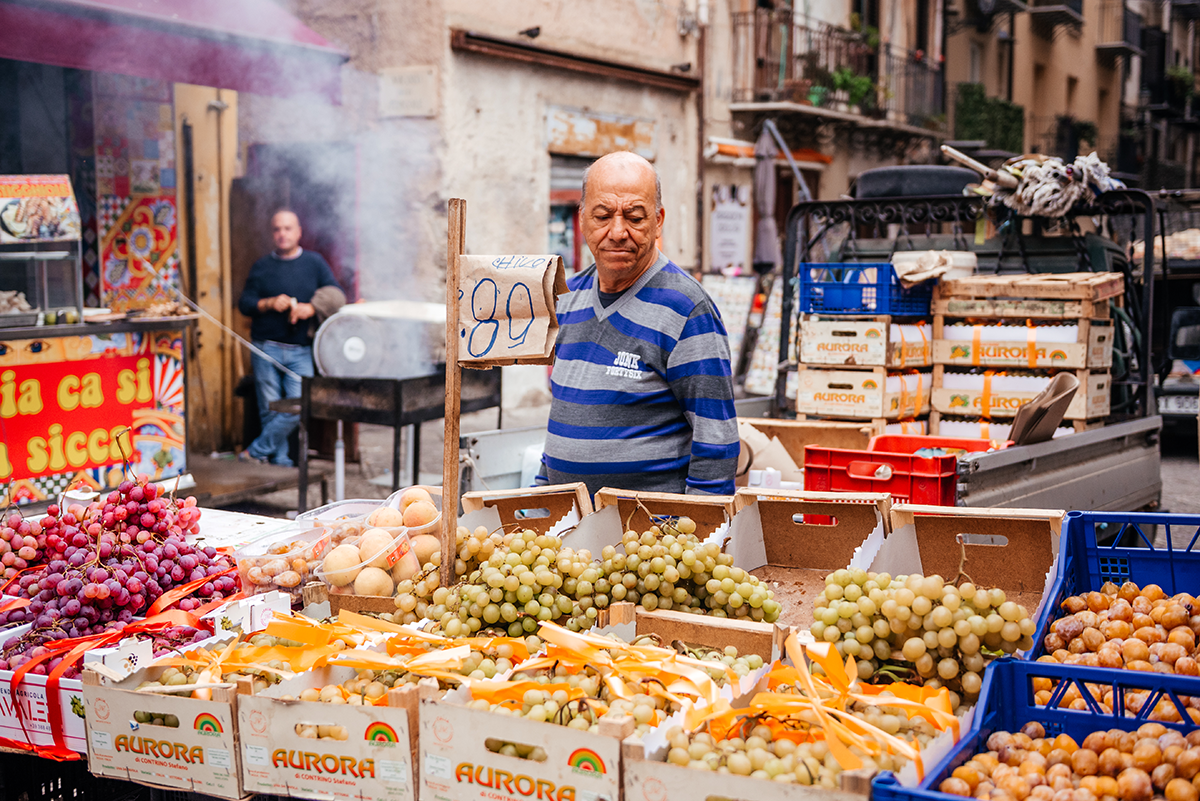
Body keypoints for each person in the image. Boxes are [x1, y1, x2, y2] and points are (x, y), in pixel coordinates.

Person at [536, 151, 739, 496]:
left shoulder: (686, 309)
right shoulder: (567, 298)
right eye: (602, 216)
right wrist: (540, 499)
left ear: (658, 221)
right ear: (582, 218)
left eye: (634, 216)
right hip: (569, 533)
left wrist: (694, 534)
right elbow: (565, 423)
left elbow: (716, 441)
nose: (617, 232)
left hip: (648, 538)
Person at [237, 209, 342, 465]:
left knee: (298, 407)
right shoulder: (262, 266)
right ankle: (281, 462)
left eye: (287, 228)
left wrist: (312, 307)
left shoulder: (314, 263)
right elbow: (245, 303)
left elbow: (336, 295)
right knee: (269, 409)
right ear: (272, 234)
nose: (282, 234)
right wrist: (269, 303)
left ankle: (255, 451)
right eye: (277, 229)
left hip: (301, 349)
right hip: (266, 348)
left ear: (298, 232)